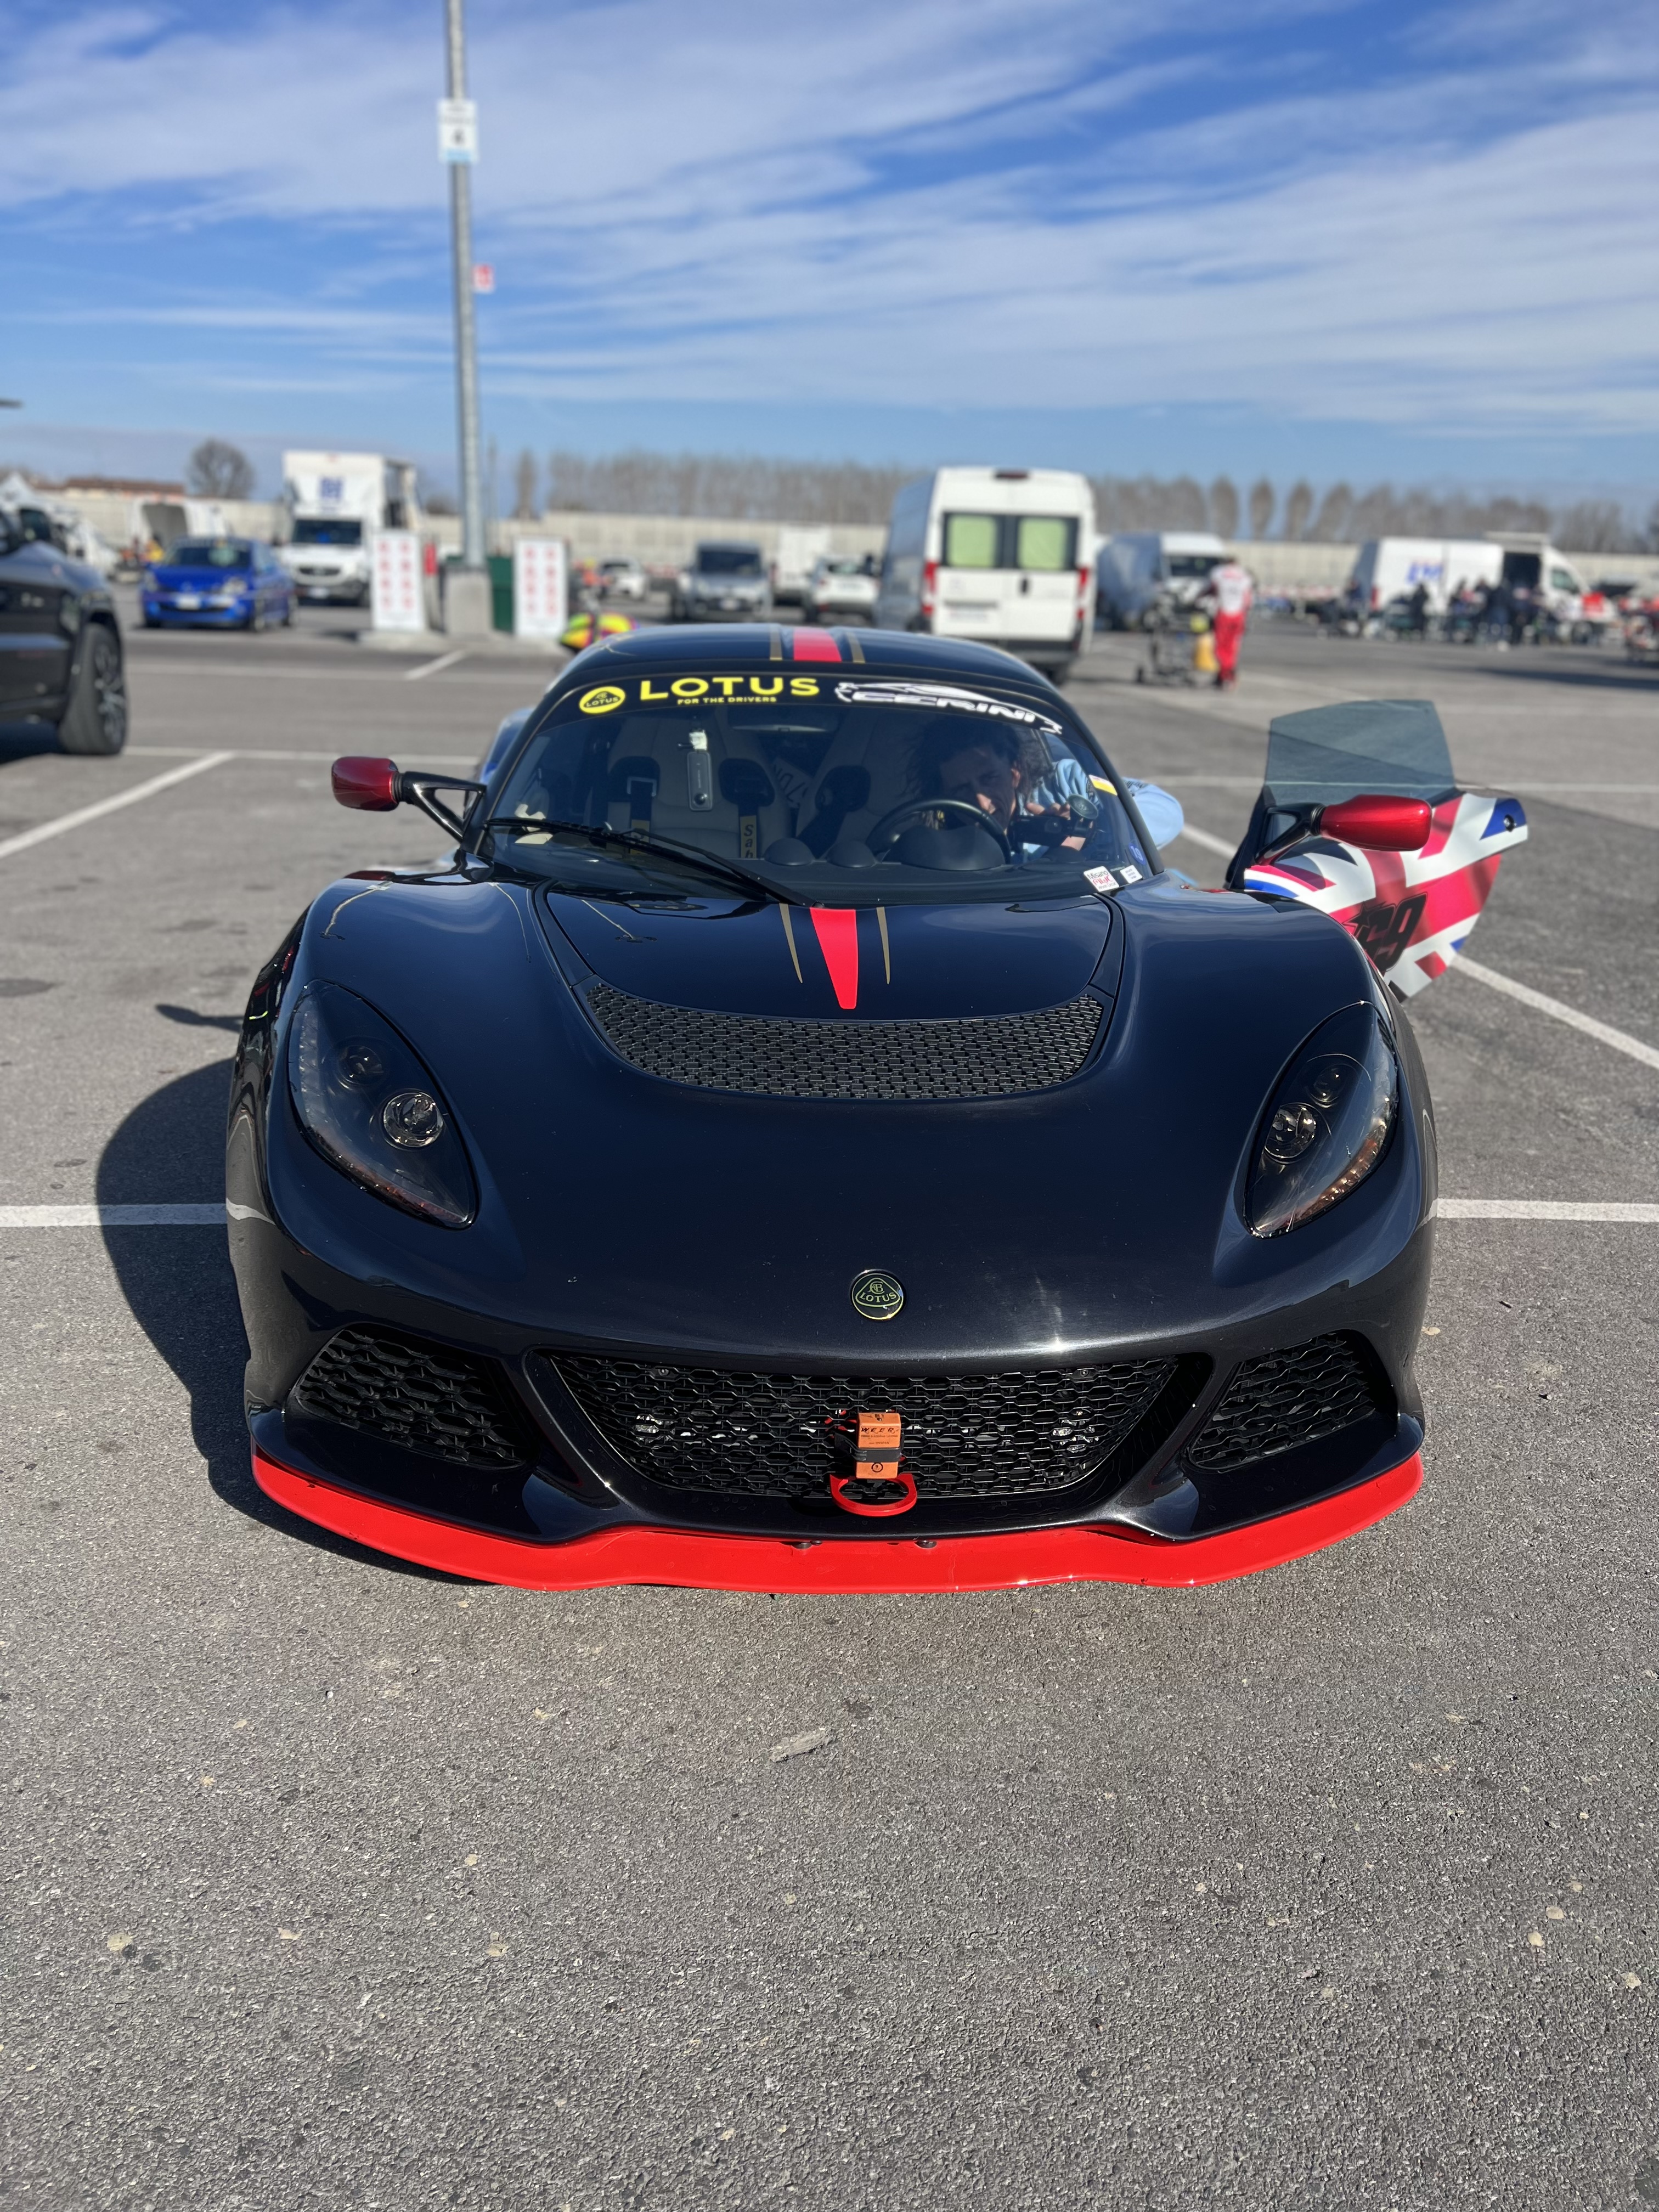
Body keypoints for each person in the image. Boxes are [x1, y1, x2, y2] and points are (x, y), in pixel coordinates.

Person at [1204, 557, 1254, 687]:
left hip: (1223, 613)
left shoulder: (1219, 573)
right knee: (1233, 647)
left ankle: (1227, 673)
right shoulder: (1245, 575)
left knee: (1220, 648)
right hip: (1239, 615)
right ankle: (1224, 674)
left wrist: (1200, 598)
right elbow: (1248, 599)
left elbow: (1212, 590)